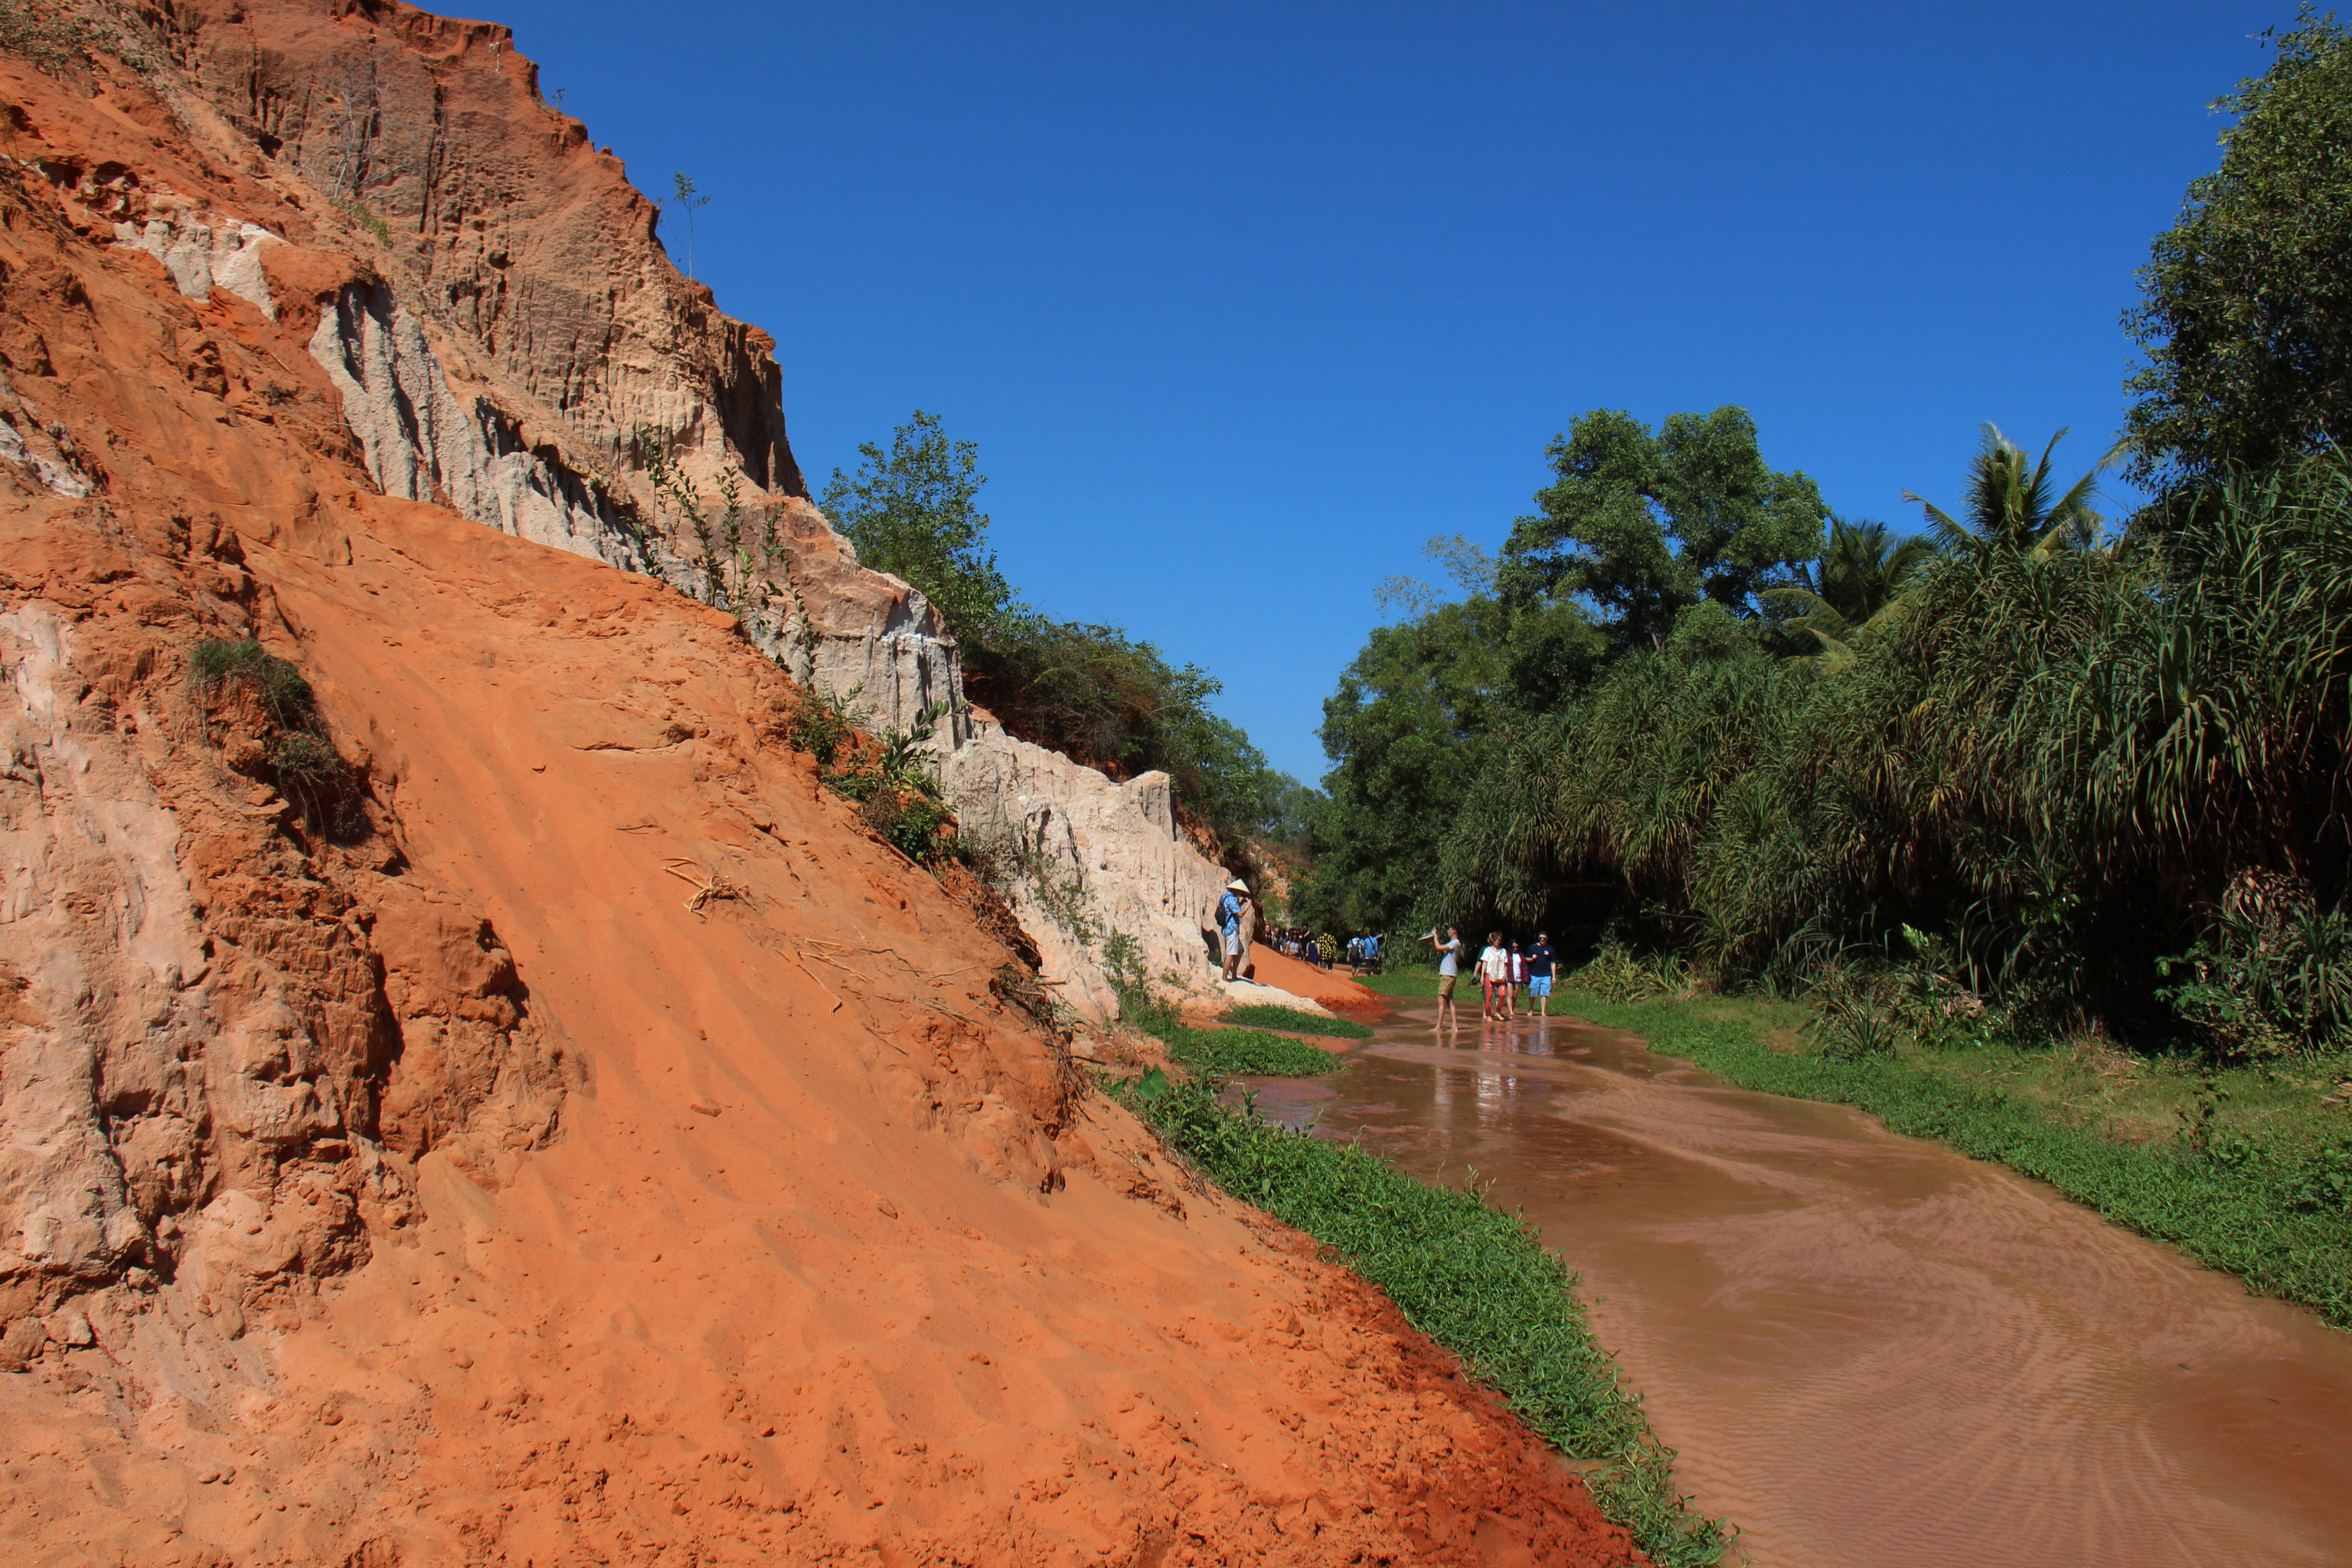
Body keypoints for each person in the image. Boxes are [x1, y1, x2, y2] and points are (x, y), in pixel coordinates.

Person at [1421, 924, 1462, 1026]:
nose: (1448, 931)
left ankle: (1439, 1026)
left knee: (1441, 999)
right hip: (1448, 974)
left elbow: (1439, 947)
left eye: (1449, 929)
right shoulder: (1452, 943)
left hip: (1448, 974)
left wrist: (1435, 936)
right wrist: (1432, 939)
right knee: (1449, 1001)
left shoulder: (1455, 943)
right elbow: (1436, 948)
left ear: (1454, 932)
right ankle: (1455, 1026)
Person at [1216, 878, 1250, 981]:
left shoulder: (1225, 896)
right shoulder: (1231, 899)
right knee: (1231, 953)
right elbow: (1239, 914)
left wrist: (1241, 903)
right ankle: (1224, 978)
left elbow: (1231, 911)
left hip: (1227, 928)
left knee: (1240, 950)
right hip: (1231, 929)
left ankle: (1234, 975)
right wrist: (1247, 906)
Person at [1478, 931, 1510, 1021]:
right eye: (1495, 939)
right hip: (1490, 974)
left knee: (1502, 994)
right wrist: (1482, 976)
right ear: (1492, 940)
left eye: (1499, 940)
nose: (1497, 941)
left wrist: (1506, 976)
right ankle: (1488, 1015)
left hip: (1500, 975)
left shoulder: (1503, 951)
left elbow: (1505, 964)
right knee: (1489, 995)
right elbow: (1484, 963)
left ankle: (1498, 1012)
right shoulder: (1487, 950)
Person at [1527, 931, 1556, 1019]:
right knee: (1533, 993)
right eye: (1541, 938)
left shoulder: (1550, 949)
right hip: (1534, 974)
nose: (1542, 940)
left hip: (1546, 975)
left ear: (1547, 938)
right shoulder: (1533, 947)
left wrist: (1554, 976)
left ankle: (1543, 1011)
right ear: (1538, 938)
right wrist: (1532, 959)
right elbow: (1526, 959)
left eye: (1544, 938)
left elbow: (1553, 963)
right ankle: (1531, 1009)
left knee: (1545, 994)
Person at [1508, 942, 1527, 1020]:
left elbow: (1524, 967)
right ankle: (1510, 1011)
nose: (1515, 949)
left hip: (1518, 978)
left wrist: (1524, 977)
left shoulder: (1521, 956)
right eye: (1513, 947)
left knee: (1515, 996)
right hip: (1509, 977)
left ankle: (1512, 1009)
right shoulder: (1507, 955)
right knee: (1510, 995)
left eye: (1516, 947)